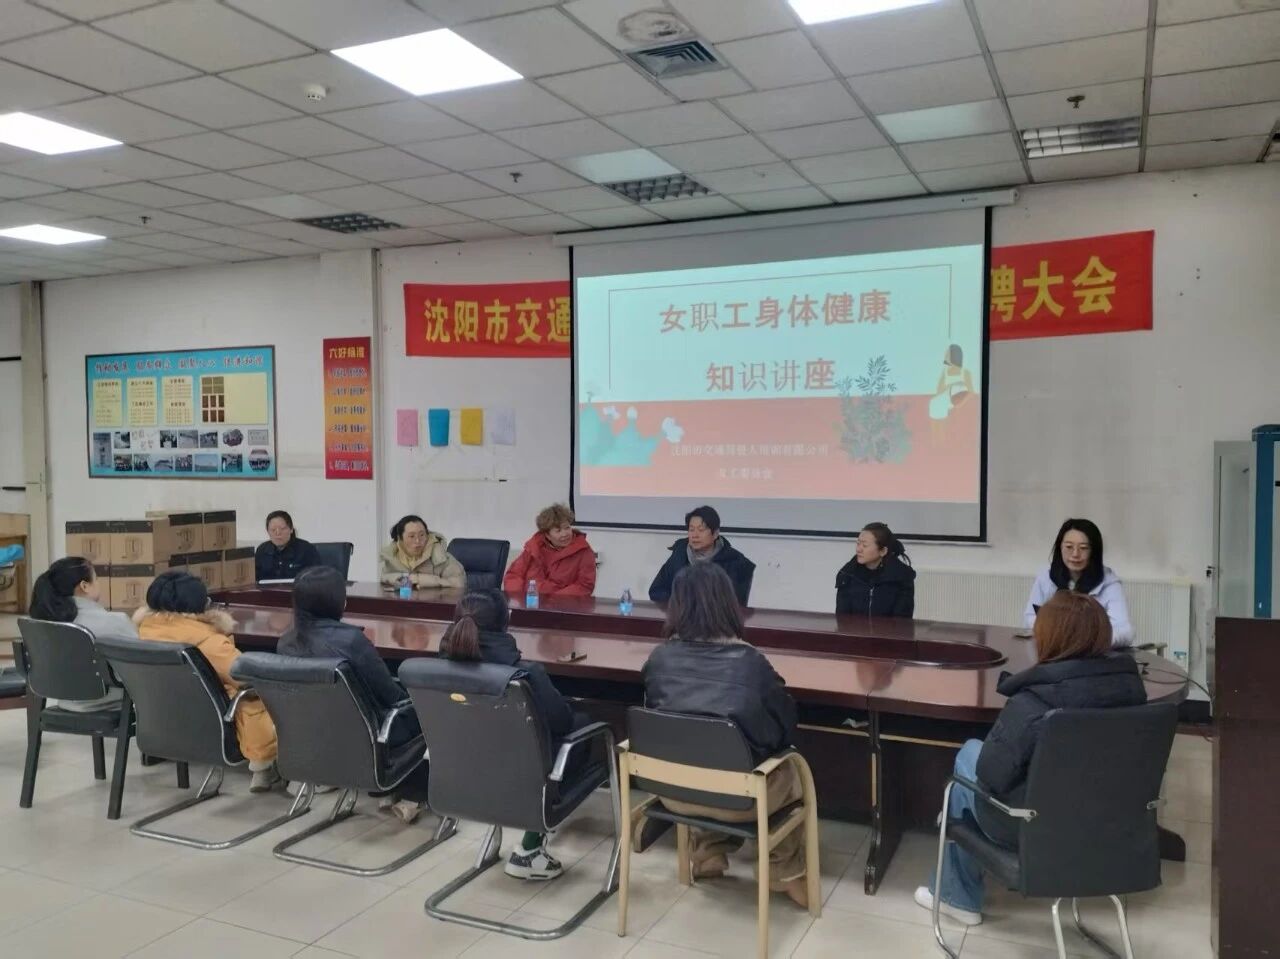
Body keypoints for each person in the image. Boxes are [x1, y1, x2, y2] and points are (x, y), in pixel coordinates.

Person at [915, 591, 1147, 926]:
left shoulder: (1035, 701)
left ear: (1051, 638)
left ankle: (957, 896)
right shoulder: (1132, 688)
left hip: (1036, 826)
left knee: (968, 756)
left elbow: (992, 774)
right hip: (1108, 824)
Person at [640, 563, 808, 908]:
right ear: (728, 604)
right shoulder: (749, 662)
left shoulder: (659, 659)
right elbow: (783, 727)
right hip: (740, 801)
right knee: (788, 768)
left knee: (702, 754)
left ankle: (708, 854)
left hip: (672, 793)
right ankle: (783, 872)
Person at [439, 587, 582, 881]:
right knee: (585, 729)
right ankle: (530, 848)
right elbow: (562, 722)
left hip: (458, 777)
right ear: (506, 622)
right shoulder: (525, 675)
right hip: (521, 780)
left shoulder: (435, 669)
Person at [276, 566, 426, 823]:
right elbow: (392, 696)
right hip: (367, 739)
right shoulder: (351, 641)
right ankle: (412, 794)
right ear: (338, 601)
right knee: (425, 713)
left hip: (313, 739)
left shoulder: (285, 642)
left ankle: (389, 790)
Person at [133, 571, 281, 792]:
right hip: (213, 729)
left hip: (161, 723)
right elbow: (247, 679)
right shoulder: (210, 643)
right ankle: (268, 766)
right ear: (200, 605)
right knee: (263, 695)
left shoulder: (144, 635)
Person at [28, 557, 131, 712]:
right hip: (110, 702)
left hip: (64, 700)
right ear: (84, 586)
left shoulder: (42, 624)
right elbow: (141, 668)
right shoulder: (115, 621)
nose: (99, 583)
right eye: (96, 579)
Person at [1024, 518, 1133, 645]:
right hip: (1053, 649)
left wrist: (1083, 640)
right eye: (1069, 547)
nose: (1075, 554)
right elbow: (1029, 618)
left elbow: (1125, 632)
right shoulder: (1046, 577)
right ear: (1060, 548)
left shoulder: (1109, 583)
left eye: (1083, 548)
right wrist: (1054, 634)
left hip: (1091, 652)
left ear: (1094, 552)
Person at [648, 505, 755, 606]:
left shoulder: (736, 562)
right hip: (681, 615)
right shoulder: (679, 555)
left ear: (715, 534)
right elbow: (656, 590)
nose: (695, 535)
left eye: (701, 530)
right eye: (691, 530)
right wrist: (680, 604)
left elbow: (734, 604)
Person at [503, 503, 596, 598]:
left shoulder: (584, 551)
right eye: (558, 531)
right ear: (547, 535)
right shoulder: (534, 547)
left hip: (562, 604)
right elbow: (514, 575)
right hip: (529, 602)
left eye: (567, 528)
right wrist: (518, 598)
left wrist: (552, 600)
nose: (565, 534)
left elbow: (584, 586)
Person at [834, 522, 916, 617]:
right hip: (855, 627)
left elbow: (902, 620)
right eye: (858, 544)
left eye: (865, 545)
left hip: (887, 627)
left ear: (883, 551)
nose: (858, 549)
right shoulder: (847, 574)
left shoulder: (901, 578)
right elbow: (842, 618)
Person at [378, 515, 465, 590]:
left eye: (422, 535)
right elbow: (383, 579)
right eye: (411, 536)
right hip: (402, 603)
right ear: (400, 539)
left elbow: (459, 584)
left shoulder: (441, 558)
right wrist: (407, 579)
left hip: (435, 603)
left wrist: (420, 579)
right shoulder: (391, 557)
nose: (417, 540)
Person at [255, 510, 321, 582]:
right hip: (268, 589)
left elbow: (317, 579)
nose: (278, 533)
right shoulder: (262, 551)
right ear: (268, 531)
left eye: (282, 528)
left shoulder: (307, 549)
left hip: (298, 589)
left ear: (291, 529)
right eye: (273, 530)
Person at [929, 344, 975, 444]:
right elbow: (939, 390)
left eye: (947, 353)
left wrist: (961, 402)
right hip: (945, 397)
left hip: (957, 399)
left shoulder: (965, 372)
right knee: (935, 403)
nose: (945, 355)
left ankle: (941, 438)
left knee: (937, 404)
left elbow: (971, 391)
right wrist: (951, 385)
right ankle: (936, 438)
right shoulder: (945, 372)